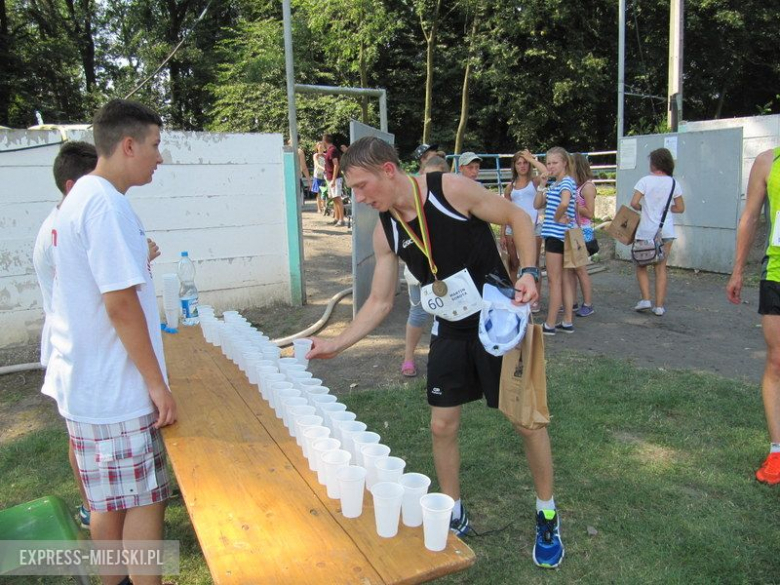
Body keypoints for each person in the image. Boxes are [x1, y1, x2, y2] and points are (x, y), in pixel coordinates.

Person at [307, 137, 564, 569]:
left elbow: (517, 216)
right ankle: (453, 508)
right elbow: (379, 302)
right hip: (449, 327)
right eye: (353, 190)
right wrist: (334, 343)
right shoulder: (385, 228)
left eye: (363, 185)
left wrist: (532, 273)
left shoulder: (448, 190)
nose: (359, 197)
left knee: (526, 421)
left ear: (390, 171)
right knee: (442, 424)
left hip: (498, 320)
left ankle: (548, 514)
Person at [42, 99, 177, 585]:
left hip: (92, 389)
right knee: (143, 500)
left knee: (107, 506)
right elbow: (120, 306)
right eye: (155, 145)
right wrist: (157, 385)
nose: (159, 157)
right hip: (116, 393)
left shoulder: (81, 200)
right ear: (128, 145)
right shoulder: (103, 203)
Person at [33, 141, 98, 529]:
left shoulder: (65, 220)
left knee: (83, 433)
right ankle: (93, 505)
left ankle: (96, 503)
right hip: (69, 345)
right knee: (82, 435)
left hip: (72, 341)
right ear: (74, 187)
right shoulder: (60, 228)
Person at [726, 147, 780, 485]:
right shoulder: (768, 161)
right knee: (777, 361)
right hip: (776, 272)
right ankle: (777, 451)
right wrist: (737, 271)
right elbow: (749, 216)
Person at [401, 155, 449, 377]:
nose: (432, 183)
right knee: (418, 313)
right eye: (428, 178)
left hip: (448, 273)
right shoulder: (410, 203)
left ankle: (444, 359)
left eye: (438, 178)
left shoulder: (452, 200)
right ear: (420, 177)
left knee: (448, 315)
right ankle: (408, 358)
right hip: (418, 273)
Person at [630, 148, 685, 316]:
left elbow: (634, 203)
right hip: (665, 231)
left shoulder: (645, 181)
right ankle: (659, 306)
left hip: (646, 230)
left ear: (653, 163)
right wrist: (666, 209)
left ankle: (646, 299)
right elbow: (680, 208)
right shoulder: (674, 183)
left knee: (641, 265)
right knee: (661, 267)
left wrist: (644, 207)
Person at [500, 149, 547, 313]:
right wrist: (503, 233)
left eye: (524, 162)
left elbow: (545, 172)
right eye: (518, 163)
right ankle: (515, 295)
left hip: (533, 227)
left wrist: (531, 158)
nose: (522, 166)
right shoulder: (509, 187)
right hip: (513, 228)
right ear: (514, 166)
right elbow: (504, 211)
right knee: (514, 264)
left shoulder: (534, 182)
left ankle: (535, 299)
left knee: (533, 265)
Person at [536, 147, 577, 335]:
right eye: (548, 163)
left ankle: (550, 323)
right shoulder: (555, 184)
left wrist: (557, 218)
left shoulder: (566, 183)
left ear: (565, 163)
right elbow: (537, 204)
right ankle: (567, 320)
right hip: (564, 236)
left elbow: (565, 202)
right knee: (567, 280)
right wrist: (542, 185)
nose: (550, 166)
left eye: (555, 163)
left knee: (554, 281)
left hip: (557, 236)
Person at [570, 153, 597, 317]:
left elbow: (590, 213)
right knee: (571, 270)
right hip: (572, 231)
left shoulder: (587, 187)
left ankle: (588, 303)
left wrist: (572, 205)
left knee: (580, 270)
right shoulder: (574, 185)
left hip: (583, 232)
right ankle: (572, 301)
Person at [323, 133, 347, 227]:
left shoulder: (332, 150)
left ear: (325, 140)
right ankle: (336, 218)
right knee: (334, 198)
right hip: (330, 178)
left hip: (335, 178)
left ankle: (341, 220)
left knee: (337, 198)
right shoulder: (329, 150)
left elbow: (336, 164)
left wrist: (333, 180)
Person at [312, 141, 327, 214]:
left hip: (324, 175)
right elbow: (316, 164)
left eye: (322, 147)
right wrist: (323, 168)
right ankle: (319, 208)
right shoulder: (316, 155)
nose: (321, 148)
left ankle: (324, 206)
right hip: (317, 175)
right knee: (318, 192)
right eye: (319, 146)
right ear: (317, 147)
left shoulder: (326, 155)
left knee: (324, 191)